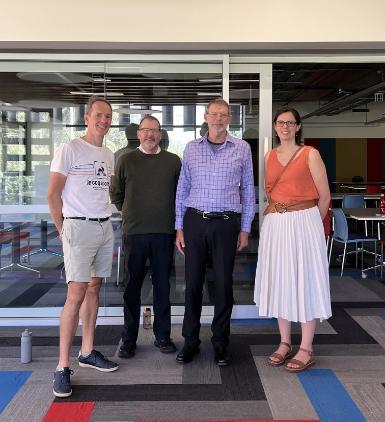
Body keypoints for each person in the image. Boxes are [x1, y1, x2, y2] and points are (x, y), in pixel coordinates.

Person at [175, 98, 255, 366]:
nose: (218, 119)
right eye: (214, 114)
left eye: (224, 114)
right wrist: (179, 226)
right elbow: (182, 189)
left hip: (226, 224)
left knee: (223, 285)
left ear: (229, 118)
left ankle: (221, 343)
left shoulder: (242, 148)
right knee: (193, 285)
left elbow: (249, 191)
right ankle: (191, 341)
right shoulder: (191, 148)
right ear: (206, 117)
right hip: (195, 221)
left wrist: (245, 228)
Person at [47, 96, 118, 398]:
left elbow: (102, 192)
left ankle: (87, 351)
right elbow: (53, 194)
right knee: (75, 293)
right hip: (77, 225)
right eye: (99, 115)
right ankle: (62, 366)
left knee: (94, 288)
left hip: (104, 226)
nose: (104, 120)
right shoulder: (70, 148)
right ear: (87, 117)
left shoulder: (108, 154)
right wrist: (64, 228)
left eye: (108, 116)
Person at [254, 107, 332, 373]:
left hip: (304, 220)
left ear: (298, 126)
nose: (284, 127)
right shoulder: (269, 156)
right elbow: (271, 195)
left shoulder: (310, 154)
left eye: (290, 123)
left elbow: (325, 197)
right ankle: (285, 342)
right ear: (275, 126)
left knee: (306, 279)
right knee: (281, 279)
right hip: (276, 222)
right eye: (280, 122)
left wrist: (309, 224)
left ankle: (306, 348)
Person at [110, 115, 181, 358]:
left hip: (163, 233)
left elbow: (179, 196)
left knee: (163, 287)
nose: (150, 135)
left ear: (160, 135)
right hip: (134, 233)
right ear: (138, 134)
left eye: (155, 131)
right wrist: (130, 212)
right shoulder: (125, 159)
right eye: (145, 130)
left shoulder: (173, 162)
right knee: (132, 288)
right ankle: (128, 339)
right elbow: (116, 193)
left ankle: (163, 336)